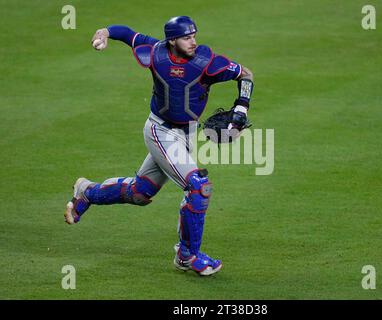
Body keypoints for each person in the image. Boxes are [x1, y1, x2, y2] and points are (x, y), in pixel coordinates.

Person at [65, 16, 254, 276]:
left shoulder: (207, 63)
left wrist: (241, 109)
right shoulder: (155, 53)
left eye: (194, 36)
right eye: (187, 37)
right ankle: (187, 256)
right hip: (160, 131)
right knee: (199, 187)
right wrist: (105, 33)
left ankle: (86, 192)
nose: (193, 41)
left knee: (140, 193)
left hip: (186, 134)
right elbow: (127, 34)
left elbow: (245, 74)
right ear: (172, 40)